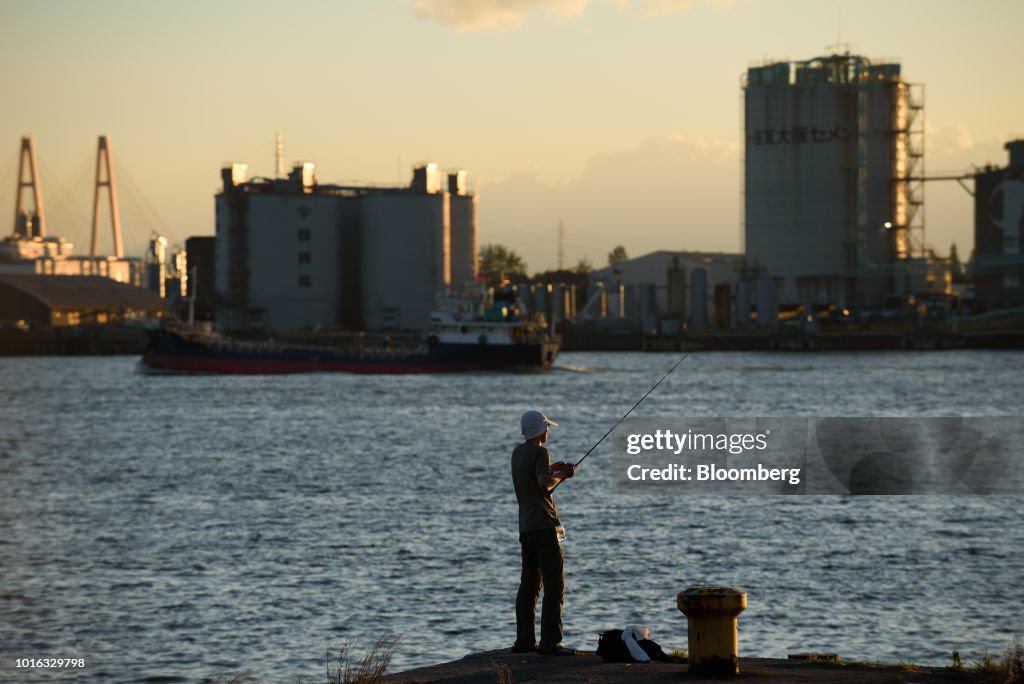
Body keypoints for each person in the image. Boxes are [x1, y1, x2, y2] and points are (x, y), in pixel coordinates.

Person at [510, 410, 576, 656]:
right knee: (554, 584)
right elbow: (541, 482)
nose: (548, 431)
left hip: (525, 527)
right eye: (546, 428)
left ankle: (524, 641)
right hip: (544, 525)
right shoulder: (540, 451)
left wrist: (553, 469)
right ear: (540, 430)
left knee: (528, 585)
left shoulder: (518, 453)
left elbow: (535, 474)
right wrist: (562, 475)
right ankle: (550, 643)